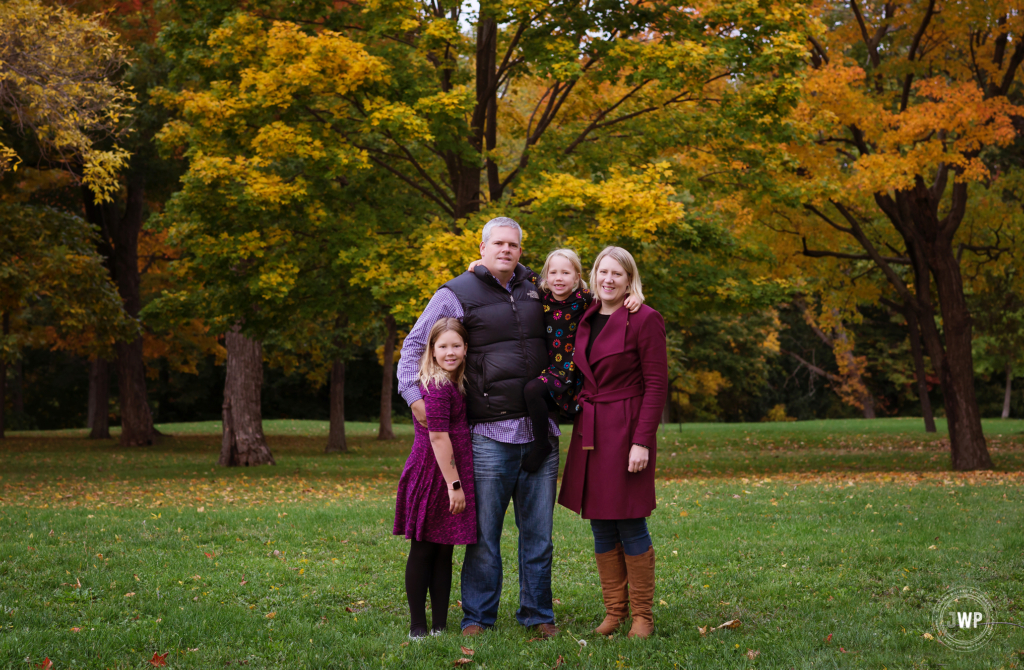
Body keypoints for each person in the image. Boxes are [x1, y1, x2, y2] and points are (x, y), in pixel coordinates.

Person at [396, 217, 561, 638]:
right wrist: (414, 397)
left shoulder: (535, 289)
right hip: (489, 434)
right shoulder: (456, 293)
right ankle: (478, 618)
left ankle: (538, 614)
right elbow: (415, 344)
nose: (506, 250)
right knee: (483, 537)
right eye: (498, 244)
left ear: (521, 251)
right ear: (483, 248)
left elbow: (576, 300)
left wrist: (626, 297)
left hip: (541, 432)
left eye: (513, 245)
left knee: (538, 536)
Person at [557, 246, 668, 639]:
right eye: (602, 272)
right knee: (601, 522)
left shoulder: (645, 318)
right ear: (593, 276)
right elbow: (542, 288)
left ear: (629, 279)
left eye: (617, 274)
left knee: (630, 519)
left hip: (626, 429)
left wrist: (643, 442)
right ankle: (614, 611)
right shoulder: (585, 314)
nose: (608, 279)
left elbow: (656, 387)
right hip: (591, 430)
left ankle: (642, 616)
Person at [518, 249, 640, 472]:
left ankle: (543, 445)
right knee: (531, 391)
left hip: (572, 371)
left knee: (534, 391)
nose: (558, 278)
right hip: (550, 368)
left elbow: (611, 294)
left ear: (577, 277)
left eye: (565, 273)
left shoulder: (584, 299)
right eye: (553, 272)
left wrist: (632, 296)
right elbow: (520, 269)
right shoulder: (542, 294)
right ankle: (543, 443)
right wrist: (480, 264)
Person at [393, 318, 476, 638]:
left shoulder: (455, 383)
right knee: (425, 549)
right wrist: (454, 486)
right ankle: (418, 627)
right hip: (434, 476)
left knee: (445, 551)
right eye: (443, 346)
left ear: (466, 349)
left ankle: (440, 625)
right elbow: (438, 438)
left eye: (456, 346)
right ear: (431, 350)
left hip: (447, 473)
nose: (450, 352)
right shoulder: (438, 386)